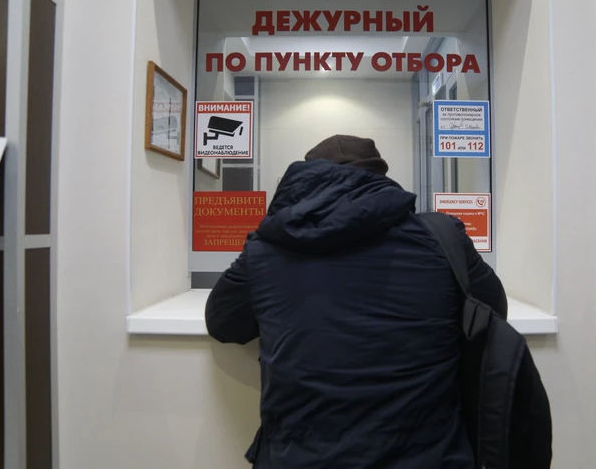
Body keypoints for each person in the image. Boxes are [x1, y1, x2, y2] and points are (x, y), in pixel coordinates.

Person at [205, 135, 508, 469]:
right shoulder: (441, 236)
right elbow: (493, 310)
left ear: (303, 178)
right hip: (434, 457)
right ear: (380, 178)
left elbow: (223, 322)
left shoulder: (267, 246)